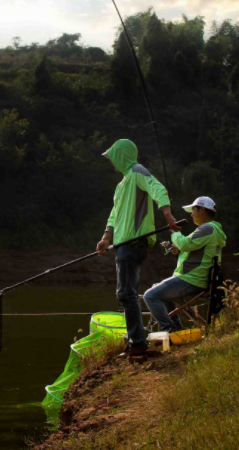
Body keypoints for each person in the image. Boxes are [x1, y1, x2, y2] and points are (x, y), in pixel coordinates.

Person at [96, 139, 181, 361]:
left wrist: (169, 217)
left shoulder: (137, 171)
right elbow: (114, 214)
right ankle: (136, 342)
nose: (111, 162)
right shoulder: (121, 184)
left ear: (121, 155)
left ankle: (138, 345)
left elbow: (158, 188)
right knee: (126, 294)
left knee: (126, 294)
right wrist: (106, 238)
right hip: (122, 245)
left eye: (113, 156)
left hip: (134, 243)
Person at [143, 196, 226, 333]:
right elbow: (192, 250)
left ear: (202, 210)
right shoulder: (214, 230)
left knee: (150, 295)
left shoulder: (207, 229)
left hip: (191, 279)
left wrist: (175, 231)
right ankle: (175, 326)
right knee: (156, 289)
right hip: (197, 278)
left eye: (193, 210)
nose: (191, 214)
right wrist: (178, 252)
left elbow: (185, 244)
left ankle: (169, 329)